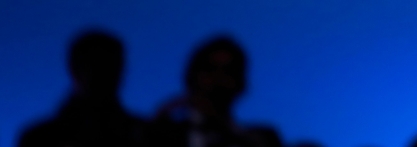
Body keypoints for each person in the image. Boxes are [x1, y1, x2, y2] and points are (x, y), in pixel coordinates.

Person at [17, 30, 146, 147]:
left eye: (114, 67)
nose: (108, 75)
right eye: (99, 66)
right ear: (75, 69)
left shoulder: (40, 137)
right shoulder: (39, 138)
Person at [147, 35, 282, 147]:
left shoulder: (260, 140)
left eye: (229, 71)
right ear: (193, 75)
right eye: (210, 69)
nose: (218, 78)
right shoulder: (163, 133)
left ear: (241, 82)